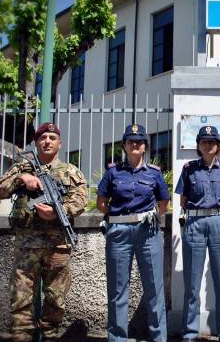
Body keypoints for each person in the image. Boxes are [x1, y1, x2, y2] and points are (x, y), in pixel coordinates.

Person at [0, 122, 88, 342]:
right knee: (21, 298)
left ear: (59, 143)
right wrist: (21, 179)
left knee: (56, 299)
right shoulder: (22, 167)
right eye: (43, 138)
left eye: (52, 138)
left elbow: (82, 199)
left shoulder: (71, 171)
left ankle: (50, 337)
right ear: (36, 142)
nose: (47, 141)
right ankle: (21, 337)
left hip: (58, 245)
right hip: (27, 243)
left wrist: (58, 212)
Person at [96, 124, 170, 342]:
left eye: (139, 141)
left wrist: (154, 214)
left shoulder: (154, 174)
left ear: (145, 146)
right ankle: (117, 338)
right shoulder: (113, 172)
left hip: (148, 231)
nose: (135, 144)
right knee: (118, 290)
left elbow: (164, 201)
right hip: (119, 232)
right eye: (131, 141)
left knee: (154, 288)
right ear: (124, 146)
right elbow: (101, 203)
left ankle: (159, 338)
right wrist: (117, 217)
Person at [174, 125, 220, 342]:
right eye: (204, 141)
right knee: (192, 285)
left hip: (219, 223)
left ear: (218, 146)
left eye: (212, 141)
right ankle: (189, 333)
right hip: (194, 222)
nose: (208, 145)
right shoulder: (189, 169)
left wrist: (219, 214)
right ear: (198, 145)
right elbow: (182, 200)